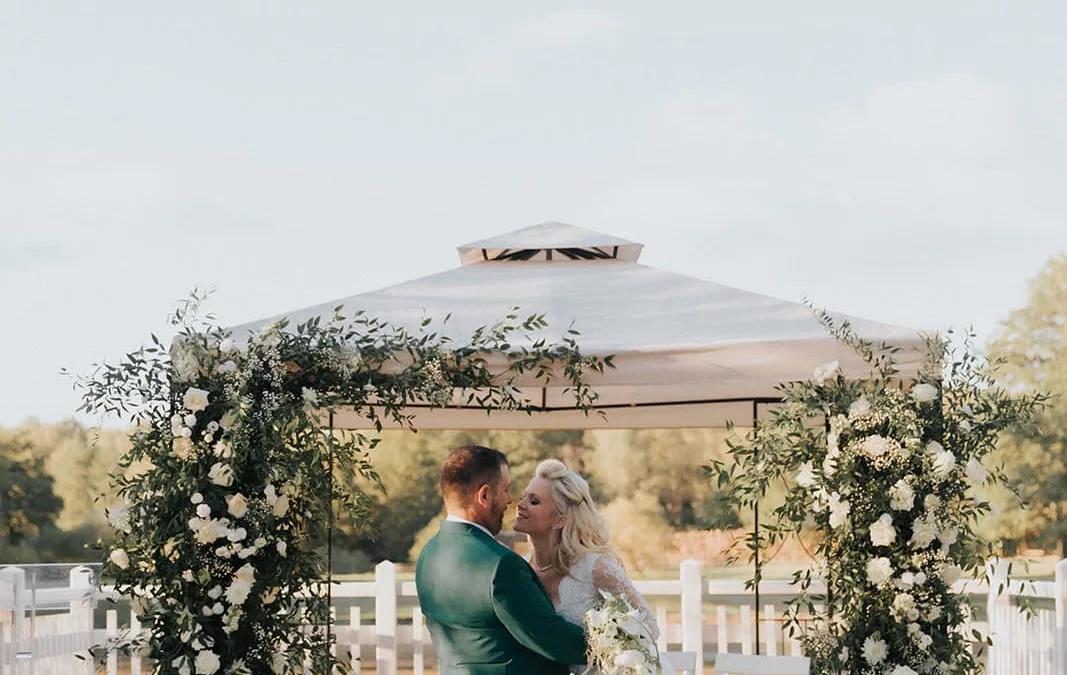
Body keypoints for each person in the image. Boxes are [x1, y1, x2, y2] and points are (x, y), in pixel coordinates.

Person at [416, 445, 587, 675]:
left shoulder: (428, 555)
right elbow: (552, 638)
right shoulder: (501, 565)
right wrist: (615, 638)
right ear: (485, 495)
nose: (510, 500)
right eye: (505, 490)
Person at [514, 458, 669, 675]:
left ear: (559, 520)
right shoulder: (521, 569)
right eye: (523, 496)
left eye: (534, 501)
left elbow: (648, 626)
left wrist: (608, 647)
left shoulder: (595, 568)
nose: (520, 505)